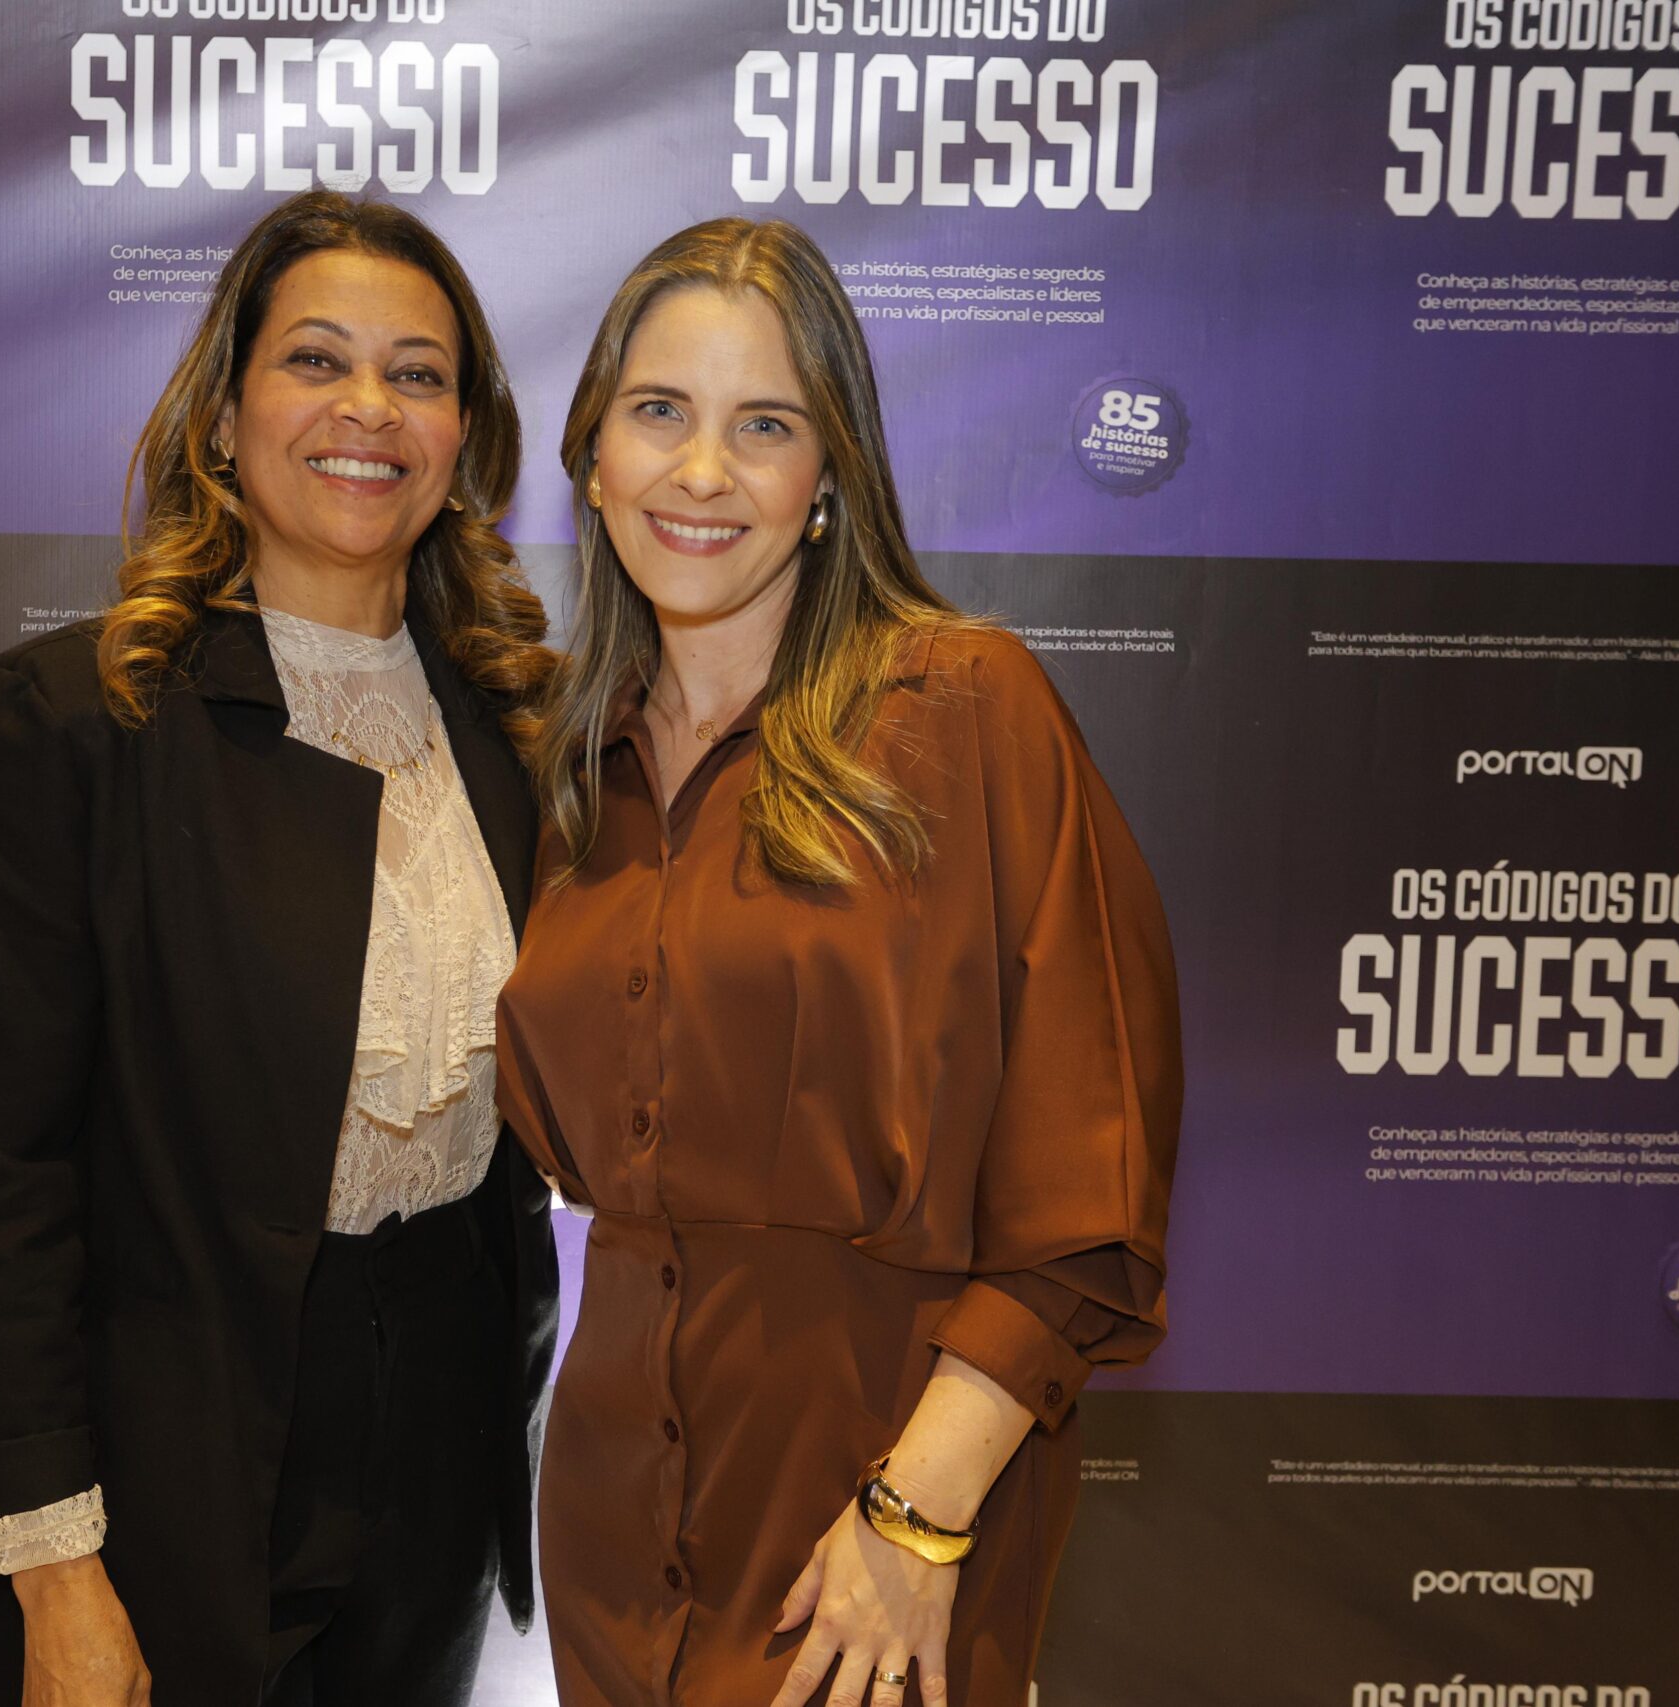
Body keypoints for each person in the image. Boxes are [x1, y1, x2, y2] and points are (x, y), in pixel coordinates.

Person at [0, 190, 558, 1707]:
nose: (368, 407)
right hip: (168, 1474)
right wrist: (56, 1569)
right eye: (316, 359)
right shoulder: (82, 720)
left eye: (419, 374)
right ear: (225, 420)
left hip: (441, 1466)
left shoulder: (519, 732)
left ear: (464, 443)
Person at [496, 217, 1182, 1707]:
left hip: (879, 1514)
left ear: (828, 481)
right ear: (592, 454)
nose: (701, 472)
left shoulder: (965, 709)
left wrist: (918, 1512)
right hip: (614, 1521)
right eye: (659, 411)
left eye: (765, 425)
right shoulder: (568, 769)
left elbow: (1088, 1170)